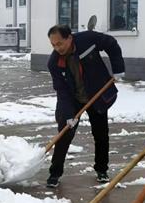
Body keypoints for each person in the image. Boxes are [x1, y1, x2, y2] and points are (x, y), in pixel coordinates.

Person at [46, 24, 125, 188]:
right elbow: (61, 90)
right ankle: (54, 173)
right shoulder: (54, 62)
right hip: (73, 99)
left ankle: (102, 170)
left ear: (69, 38)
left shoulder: (88, 39)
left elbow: (111, 43)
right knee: (64, 134)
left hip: (96, 95)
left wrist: (118, 68)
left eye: (59, 43)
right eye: (53, 45)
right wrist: (68, 115)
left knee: (101, 134)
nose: (57, 48)